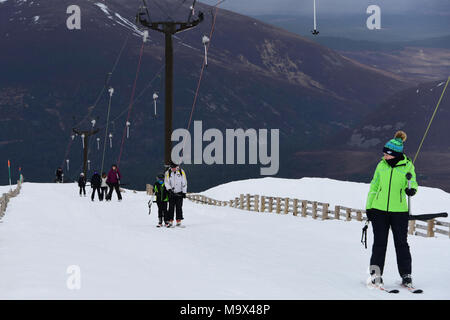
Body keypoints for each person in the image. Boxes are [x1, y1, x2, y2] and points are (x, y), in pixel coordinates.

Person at [366, 131, 418, 290]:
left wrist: (411, 190)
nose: (384, 156)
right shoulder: (381, 165)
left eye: (387, 154)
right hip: (379, 210)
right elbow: (374, 187)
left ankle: (406, 275)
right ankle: (375, 275)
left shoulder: (408, 165)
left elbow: (413, 184)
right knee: (379, 243)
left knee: (401, 244)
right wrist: (369, 207)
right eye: (384, 153)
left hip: (399, 211)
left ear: (395, 154)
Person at [164, 161, 187, 227]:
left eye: (174, 167)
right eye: (172, 167)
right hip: (171, 193)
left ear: (177, 166)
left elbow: (184, 182)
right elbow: (166, 182)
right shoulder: (168, 172)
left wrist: (184, 192)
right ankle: (170, 221)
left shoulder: (181, 172)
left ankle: (178, 221)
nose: (173, 168)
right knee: (171, 207)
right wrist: (169, 189)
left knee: (179, 207)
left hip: (179, 193)